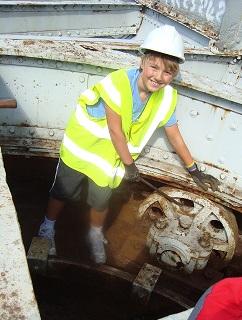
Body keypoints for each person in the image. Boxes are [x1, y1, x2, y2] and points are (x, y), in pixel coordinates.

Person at [38, 24, 220, 264]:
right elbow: (115, 129)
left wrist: (194, 170)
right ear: (142, 62)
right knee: (62, 191)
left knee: (101, 200)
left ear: (173, 74)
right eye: (154, 67)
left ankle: (94, 234)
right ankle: (47, 228)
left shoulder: (166, 98)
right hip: (82, 149)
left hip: (109, 158)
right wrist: (130, 166)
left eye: (167, 72)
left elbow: (174, 135)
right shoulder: (118, 83)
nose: (158, 76)